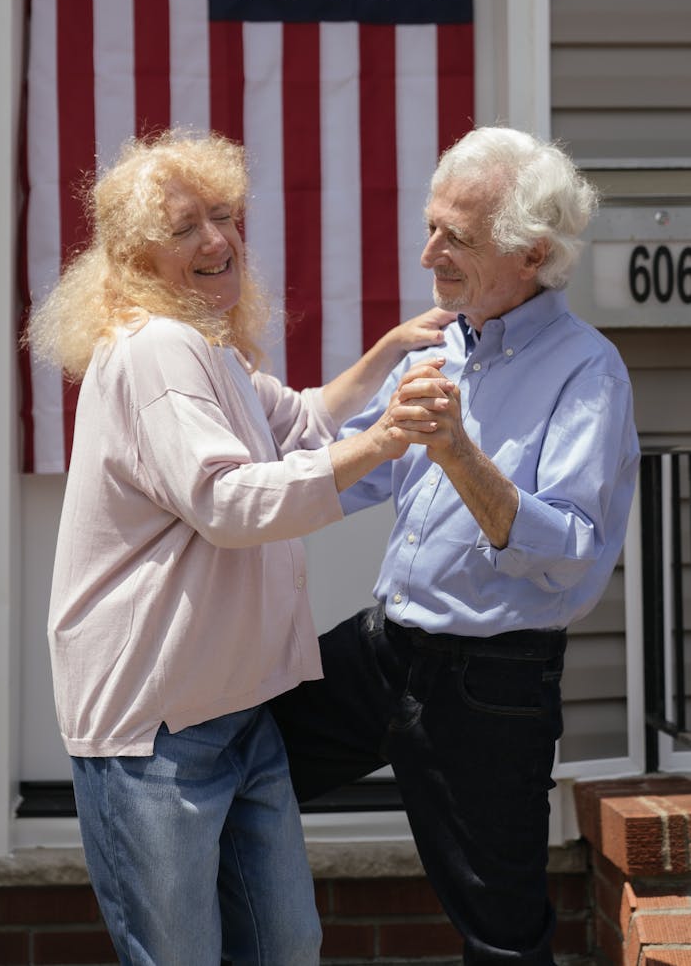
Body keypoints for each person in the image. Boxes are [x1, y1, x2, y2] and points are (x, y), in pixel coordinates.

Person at [26, 128, 450, 966]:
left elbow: (296, 418)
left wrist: (388, 353)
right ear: (137, 253)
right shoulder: (156, 351)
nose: (217, 240)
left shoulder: (206, 346)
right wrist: (383, 444)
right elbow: (225, 501)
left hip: (235, 713)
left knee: (284, 944)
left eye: (222, 214)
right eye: (185, 227)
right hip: (155, 731)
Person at [270, 126, 641, 965]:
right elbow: (354, 470)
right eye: (431, 224)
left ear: (532, 252)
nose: (429, 251)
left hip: (492, 684)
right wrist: (221, 478)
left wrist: (459, 452)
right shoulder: (446, 340)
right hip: (383, 649)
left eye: (457, 237)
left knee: (503, 937)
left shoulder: (589, 372)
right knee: (230, 767)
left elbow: (570, 549)